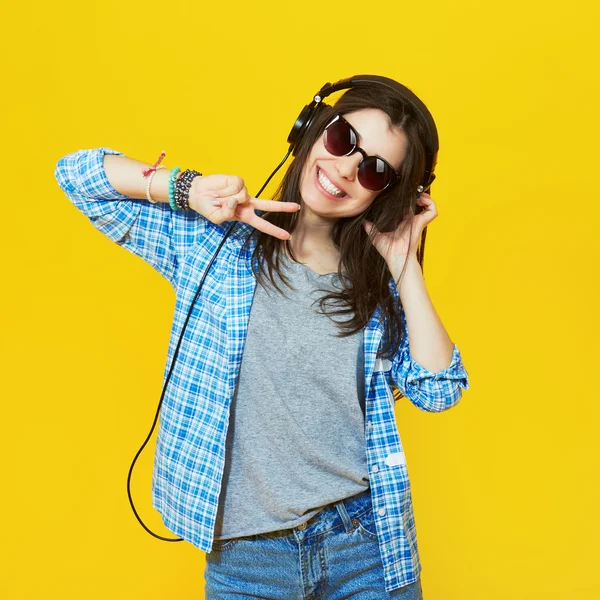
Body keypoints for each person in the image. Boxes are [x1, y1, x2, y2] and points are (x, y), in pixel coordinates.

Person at [54, 80, 470, 599]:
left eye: (374, 170)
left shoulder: (378, 288)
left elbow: (439, 390)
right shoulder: (215, 242)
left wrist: (405, 264)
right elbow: (75, 174)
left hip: (363, 549)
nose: (345, 168)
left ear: (388, 194)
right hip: (247, 559)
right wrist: (185, 188)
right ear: (313, 129)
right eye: (344, 139)